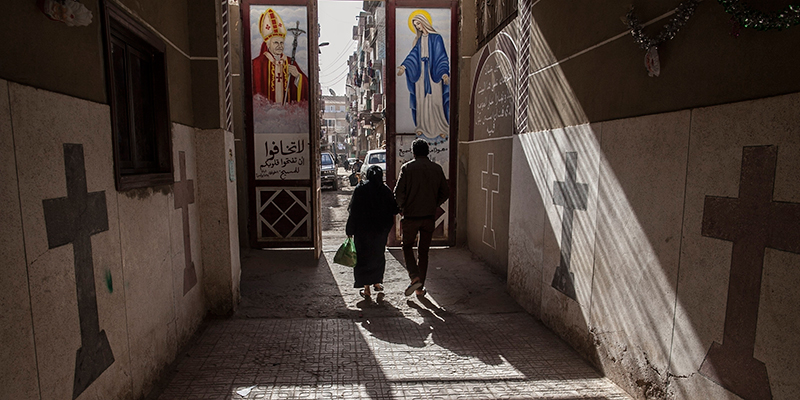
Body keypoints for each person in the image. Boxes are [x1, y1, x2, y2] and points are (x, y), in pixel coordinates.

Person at [393, 139, 449, 296]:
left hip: (411, 216)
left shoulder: (407, 168)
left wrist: (402, 208)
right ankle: (419, 288)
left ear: (413, 152)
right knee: (423, 251)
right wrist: (433, 204)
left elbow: (398, 193)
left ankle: (414, 276)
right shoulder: (436, 169)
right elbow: (445, 192)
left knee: (407, 246)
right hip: (429, 217)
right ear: (428, 151)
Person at [346, 166, 399, 300]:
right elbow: (394, 209)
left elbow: (354, 211)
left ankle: (366, 288)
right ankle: (377, 282)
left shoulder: (360, 189)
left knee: (362, 257)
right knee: (377, 255)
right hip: (380, 231)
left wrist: (350, 229)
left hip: (362, 231)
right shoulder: (385, 190)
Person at [397, 13, 450, 143]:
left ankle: (441, 128)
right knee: (421, 101)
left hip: (433, 74)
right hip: (420, 74)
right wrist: (404, 66)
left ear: (424, 22)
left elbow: (442, 56)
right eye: (415, 26)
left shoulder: (436, 38)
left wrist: (444, 73)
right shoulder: (419, 40)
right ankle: (422, 128)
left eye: (418, 24)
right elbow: (413, 55)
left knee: (436, 101)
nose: (418, 27)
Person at [252, 8, 309, 104]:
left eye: (282, 43)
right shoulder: (257, 64)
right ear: (268, 44)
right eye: (276, 43)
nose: (280, 46)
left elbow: (307, 86)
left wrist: (298, 77)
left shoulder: (290, 62)